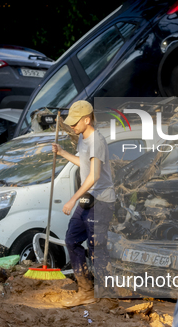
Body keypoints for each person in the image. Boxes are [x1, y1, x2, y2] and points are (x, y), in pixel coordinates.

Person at [52, 100, 116, 307]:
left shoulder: (97, 140)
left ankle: (108, 295)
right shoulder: (83, 137)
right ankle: (86, 289)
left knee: (96, 247)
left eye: (75, 122)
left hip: (102, 200)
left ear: (87, 120)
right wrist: (62, 153)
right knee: (71, 240)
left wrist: (73, 199)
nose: (72, 126)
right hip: (89, 198)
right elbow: (84, 164)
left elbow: (94, 176)